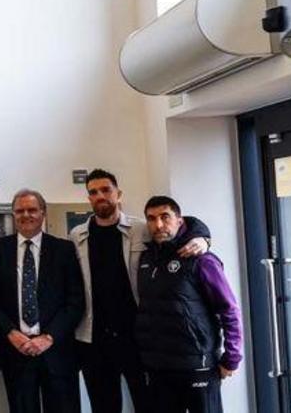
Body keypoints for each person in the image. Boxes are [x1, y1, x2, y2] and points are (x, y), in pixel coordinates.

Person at [70, 169, 212, 413]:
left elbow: (179, 224)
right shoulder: (77, 235)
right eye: (93, 192)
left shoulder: (141, 228)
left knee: (148, 404)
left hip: (138, 337)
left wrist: (203, 237)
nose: (100, 196)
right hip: (94, 339)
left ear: (118, 193)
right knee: (103, 407)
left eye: (106, 190)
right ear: (89, 198)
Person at [136, 196, 242, 413]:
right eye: (152, 219)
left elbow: (229, 310)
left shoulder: (202, 259)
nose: (158, 225)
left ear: (179, 220)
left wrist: (232, 357)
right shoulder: (146, 259)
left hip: (197, 366)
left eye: (165, 217)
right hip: (159, 368)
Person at [0, 190, 84, 413]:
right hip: (15, 351)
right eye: (20, 210)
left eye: (32, 210)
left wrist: (48, 338)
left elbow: (75, 301)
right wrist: (11, 332)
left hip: (57, 350)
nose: (26, 215)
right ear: (13, 214)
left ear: (43, 213)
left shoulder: (64, 249)